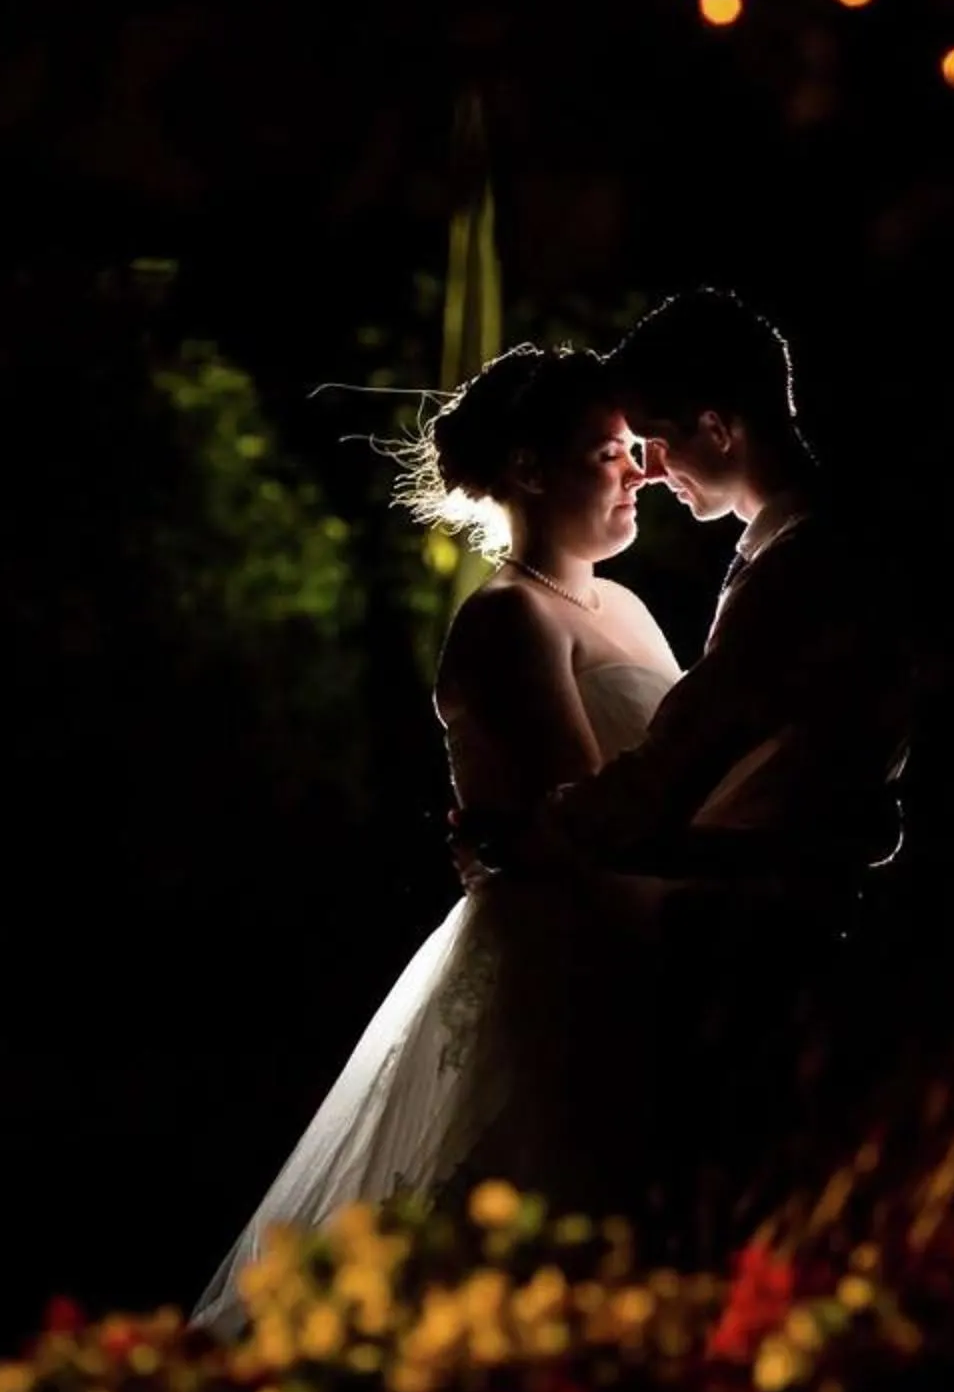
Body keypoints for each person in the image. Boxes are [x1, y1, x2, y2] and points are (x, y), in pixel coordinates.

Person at [191, 343, 678, 1331]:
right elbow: (584, 819)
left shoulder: (621, 604)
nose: (638, 470)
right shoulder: (509, 622)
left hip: (642, 924)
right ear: (533, 470)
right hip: (574, 954)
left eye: (634, 446)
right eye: (608, 450)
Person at [462, 287, 914, 1257]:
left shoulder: (805, 563)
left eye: (657, 439)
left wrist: (537, 831)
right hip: (737, 924)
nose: (647, 469)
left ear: (719, 425)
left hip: (769, 939)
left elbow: (676, 761)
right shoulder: (781, 549)